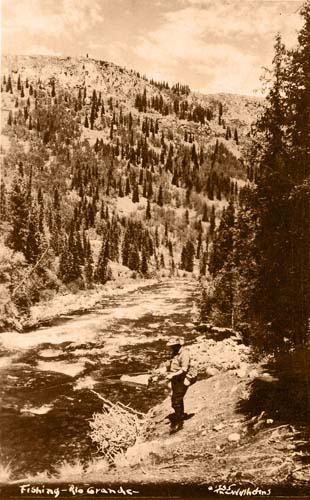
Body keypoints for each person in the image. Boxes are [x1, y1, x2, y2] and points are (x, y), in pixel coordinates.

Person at [165, 337, 192, 433]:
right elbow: (172, 366)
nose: (171, 348)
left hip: (184, 377)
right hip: (176, 378)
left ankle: (179, 423)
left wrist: (172, 374)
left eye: (173, 346)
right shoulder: (175, 353)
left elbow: (184, 369)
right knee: (176, 399)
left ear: (178, 345)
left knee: (176, 400)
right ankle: (180, 416)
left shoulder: (184, 353)